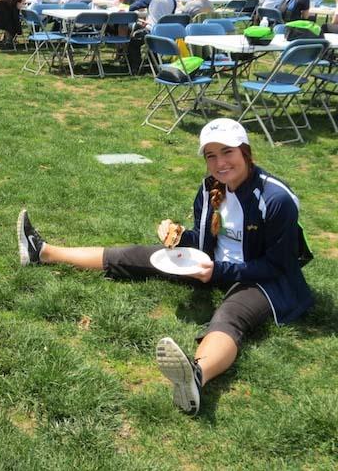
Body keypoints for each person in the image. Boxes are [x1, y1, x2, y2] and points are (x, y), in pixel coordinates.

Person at [17, 118, 315, 416]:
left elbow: (278, 264)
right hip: (212, 266)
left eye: (227, 152)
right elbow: (204, 239)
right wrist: (178, 236)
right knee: (139, 256)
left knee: (231, 313)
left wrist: (219, 272)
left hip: (264, 279)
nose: (220, 163)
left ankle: (196, 376)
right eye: (211, 155)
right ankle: (43, 252)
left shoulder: (276, 199)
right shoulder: (210, 187)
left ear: (245, 152)